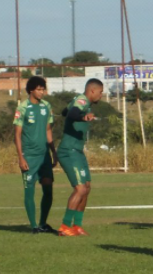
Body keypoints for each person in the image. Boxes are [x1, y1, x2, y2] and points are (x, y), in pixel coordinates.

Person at [56, 79, 103, 236]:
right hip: (69, 150)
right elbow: (73, 113)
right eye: (100, 92)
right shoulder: (82, 100)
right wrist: (83, 117)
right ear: (92, 91)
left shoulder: (82, 102)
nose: (101, 95)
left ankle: (77, 226)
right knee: (80, 188)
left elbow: (66, 112)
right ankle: (64, 226)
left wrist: (75, 112)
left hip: (77, 151)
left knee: (87, 187)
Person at [14, 76, 59, 234]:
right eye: (39, 89)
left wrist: (54, 151)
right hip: (29, 156)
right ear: (31, 90)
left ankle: (43, 223)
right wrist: (21, 157)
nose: (42, 92)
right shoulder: (23, 108)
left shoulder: (46, 106)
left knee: (48, 189)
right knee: (30, 189)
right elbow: (17, 135)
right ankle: (33, 226)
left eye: (43, 89)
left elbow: (48, 130)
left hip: (44, 155)